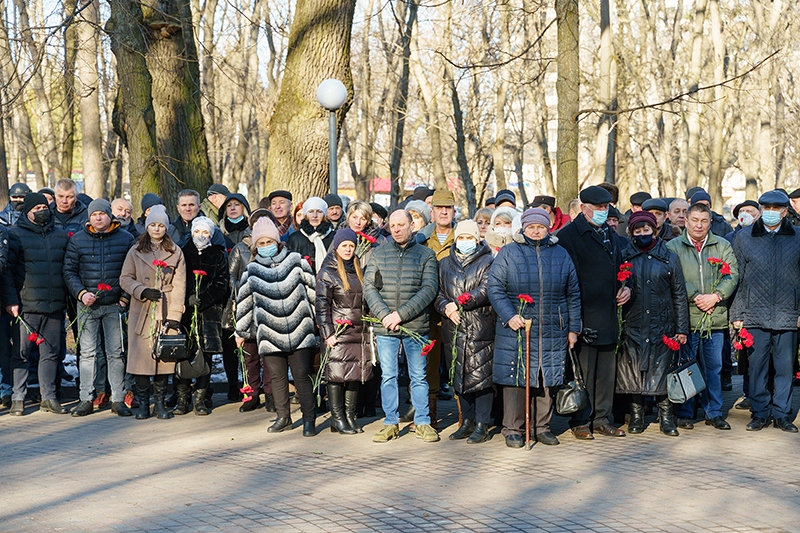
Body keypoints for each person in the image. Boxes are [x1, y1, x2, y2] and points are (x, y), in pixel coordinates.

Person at [489, 208, 581, 447]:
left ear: (547, 228)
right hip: (518, 327)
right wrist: (510, 316)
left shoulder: (561, 254)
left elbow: (572, 294)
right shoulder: (509, 253)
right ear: (523, 228)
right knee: (517, 377)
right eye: (531, 227)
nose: (536, 231)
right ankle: (513, 429)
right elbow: (495, 288)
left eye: (540, 227)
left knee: (546, 378)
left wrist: (573, 328)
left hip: (553, 327)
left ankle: (542, 426)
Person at [556, 185, 631, 439]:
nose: (603, 212)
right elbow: (567, 282)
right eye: (598, 208)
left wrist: (627, 287)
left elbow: (623, 267)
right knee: (583, 372)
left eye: (605, 208)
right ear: (584, 208)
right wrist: (573, 323)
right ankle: (581, 420)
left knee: (606, 373)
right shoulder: (568, 236)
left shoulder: (610, 234)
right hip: (585, 315)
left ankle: (601, 417)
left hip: (609, 314)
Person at [235, 217, 318, 436]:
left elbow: (313, 292)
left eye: (268, 241)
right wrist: (241, 331)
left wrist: (319, 320)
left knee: (302, 375)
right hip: (270, 333)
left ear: (277, 240)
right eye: (260, 243)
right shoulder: (251, 270)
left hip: (300, 329)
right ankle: (283, 417)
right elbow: (244, 303)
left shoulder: (297, 260)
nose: (265, 246)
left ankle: (309, 418)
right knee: (277, 377)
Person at [363, 210, 439, 443]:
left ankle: (423, 421)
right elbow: (369, 287)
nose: (396, 229)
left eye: (401, 225)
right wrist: (385, 315)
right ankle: (390, 422)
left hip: (415, 327)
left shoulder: (426, 255)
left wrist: (400, 315)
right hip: (386, 327)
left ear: (411, 226)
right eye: (392, 225)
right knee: (388, 376)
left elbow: (429, 290)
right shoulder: (379, 253)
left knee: (418, 376)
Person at [731, 190, 800, 433]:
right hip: (754, 314)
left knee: (785, 369)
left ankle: (782, 414)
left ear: (785, 211)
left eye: (776, 208)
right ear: (761, 210)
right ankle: (759, 412)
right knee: (756, 367)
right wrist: (737, 314)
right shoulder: (745, 237)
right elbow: (736, 278)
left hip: (789, 314)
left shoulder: (798, 236)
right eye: (766, 207)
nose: (771, 212)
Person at [666, 202, 738, 430]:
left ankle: (713, 411)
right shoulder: (673, 246)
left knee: (713, 368)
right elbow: (673, 276)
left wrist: (716, 296)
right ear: (685, 221)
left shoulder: (722, 245)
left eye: (704, 221)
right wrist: (697, 296)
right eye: (694, 220)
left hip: (714, 318)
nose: (699, 225)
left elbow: (732, 274)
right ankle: (686, 412)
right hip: (686, 318)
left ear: (710, 222)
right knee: (687, 366)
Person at [617, 210, 689, 436]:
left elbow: (679, 294)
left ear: (654, 230)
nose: (642, 234)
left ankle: (666, 416)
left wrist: (681, 329)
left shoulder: (669, 257)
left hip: (662, 324)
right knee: (634, 371)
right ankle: (636, 415)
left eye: (646, 230)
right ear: (631, 233)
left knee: (663, 370)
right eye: (637, 231)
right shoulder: (625, 257)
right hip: (634, 323)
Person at [64, 198, 136, 417]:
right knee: (87, 354)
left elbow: (132, 271)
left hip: (114, 306)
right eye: (94, 214)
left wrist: (124, 299)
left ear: (109, 216)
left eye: (102, 214)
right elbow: (69, 271)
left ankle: (117, 398)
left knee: (116, 353)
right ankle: (86, 398)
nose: (98, 218)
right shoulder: (78, 240)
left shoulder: (126, 239)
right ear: (89, 217)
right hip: (87, 306)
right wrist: (82, 293)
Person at [2, 193, 69, 416]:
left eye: (44, 206)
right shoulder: (15, 236)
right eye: (37, 207)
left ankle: (48, 397)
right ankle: (18, 398)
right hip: (25, 306)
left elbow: (67, 270)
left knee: (51, 353)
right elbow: (8, 273)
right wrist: (11, 301)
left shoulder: (60, 236)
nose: (42, 210)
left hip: (54, 306)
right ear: (27, 211)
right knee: (20, 353)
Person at [120, 204, 187, 420]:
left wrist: (175, 315)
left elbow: (180, 284)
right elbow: (125, 278)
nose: (156, 229)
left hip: (165, 309)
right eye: (153, 225)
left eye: (160, 225)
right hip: (142, 309)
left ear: (166, 227)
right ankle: (143, 404)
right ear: (147, 227)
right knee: (141, 359)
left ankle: (160, 403)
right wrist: (142, 290)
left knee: (163, 358)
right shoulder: (135, 250)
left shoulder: (176, 252)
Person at [436, 220, 495, 444]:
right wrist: (446, 307)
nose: (465, 241)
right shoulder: (444, 263)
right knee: (459, 376)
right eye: (461, 237)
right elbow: (438, 292)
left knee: (481, 377)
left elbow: (487, 289)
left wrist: (464, 301)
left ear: (476, 239)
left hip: (480, 326)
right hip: (454, 327)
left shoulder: (488, 260)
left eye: (469, 237)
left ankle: (482, 424)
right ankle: (467, 422)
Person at [315, 228, 373, 434]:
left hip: (358, 332)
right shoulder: (327, 272)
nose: (348, 250)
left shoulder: (358, 269)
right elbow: (322, 305)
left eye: (351, 246)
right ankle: (337, 417)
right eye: (344, 246)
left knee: (354, 375)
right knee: (337, 375)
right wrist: (328, 333)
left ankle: (349, 415)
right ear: (336, 247)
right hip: (338, 332)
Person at [174, 216, 229, 416]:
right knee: (184, 354)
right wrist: (188, 297)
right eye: (197, 232)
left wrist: (204, 299)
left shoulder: (218, 254)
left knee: (205, 356)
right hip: (187, 313)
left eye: (205, 233)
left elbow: (222, 283)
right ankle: (182, 398)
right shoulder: (183, 252)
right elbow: (178, 279)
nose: (200, 236)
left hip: (209, 313)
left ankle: (201, 398)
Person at [225, 208, 277, 412]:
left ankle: (272, 394)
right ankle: (252, 394)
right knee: (250, 356)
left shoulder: (278, 248)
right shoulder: (241, 248)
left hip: (271, 310)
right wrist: (246, 287)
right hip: (247, 308)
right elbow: (231, 276)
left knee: (271, 356)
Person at [287, 196, 334, 274]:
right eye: (311, 211)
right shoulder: (295, 238)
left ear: (324, 215)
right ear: (306, 215)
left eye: (319, 211)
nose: (314, 215)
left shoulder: (333, 237)